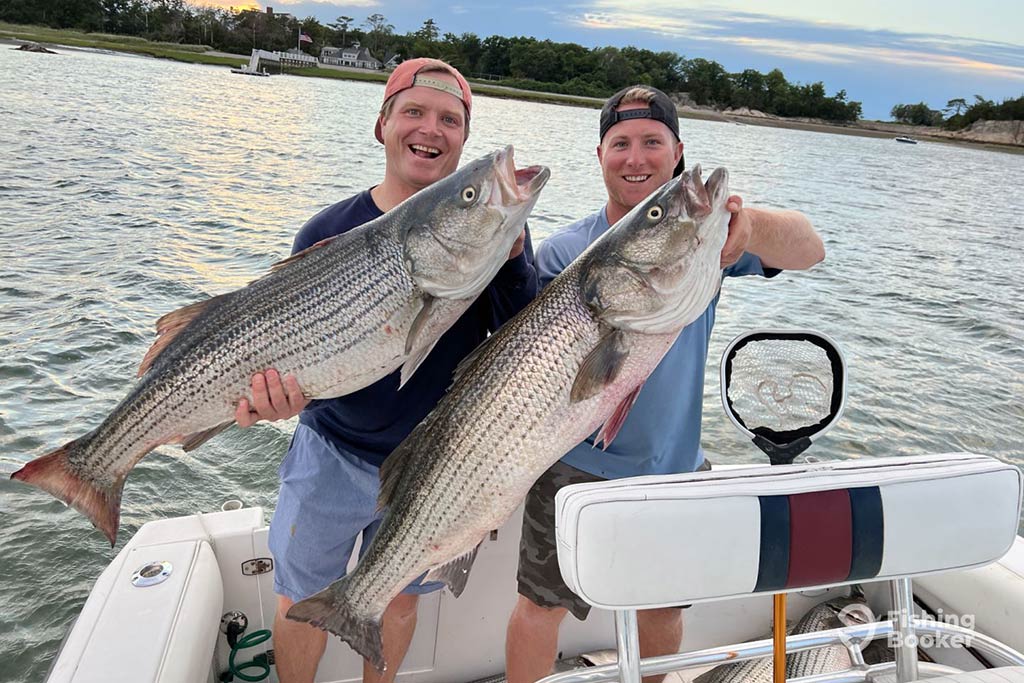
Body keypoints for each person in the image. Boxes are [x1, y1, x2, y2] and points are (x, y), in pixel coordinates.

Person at [504, 85, 825, 683]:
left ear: (677, 152)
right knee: (541, 604)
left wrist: (749, 225)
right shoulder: (563, 252)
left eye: (653, 142)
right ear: (599, 154)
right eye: (620, 143)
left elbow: (810, 248)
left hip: (674, 465)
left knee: (663, 609)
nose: (636, 157)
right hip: (571, 465)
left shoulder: (711, 237)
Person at [235, 58, 539, 683]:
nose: (431, 129)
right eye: (415, 112)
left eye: (450, 120)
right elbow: (291, 352)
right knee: (300, 599)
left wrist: (511, 259)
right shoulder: (328, 230)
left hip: (435, 466)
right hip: (332, 453)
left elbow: (521, 335)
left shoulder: (496, 232)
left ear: (462, 139)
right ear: (383, 125)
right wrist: (277, 400)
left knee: (398, 601)